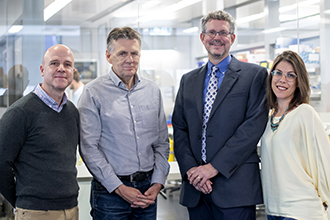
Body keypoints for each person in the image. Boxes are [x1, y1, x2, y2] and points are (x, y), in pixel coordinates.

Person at [172, 10, 268, 220]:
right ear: (202, 38)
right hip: (196, 188)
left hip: (235, 187)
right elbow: (180, 129)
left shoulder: (254, 75)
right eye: (211, 32)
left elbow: (252, 127)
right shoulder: (188, 80)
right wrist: (192, 171)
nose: (217, 38)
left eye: (223, 33)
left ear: (232, 38)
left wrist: (213, 168)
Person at [78, 26, 169, 220]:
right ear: (108, 56)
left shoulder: (152, 91)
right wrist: (119, 188)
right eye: (122, 53)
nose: (130, 59)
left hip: (148, 190)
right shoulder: (93, 93)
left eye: (134, 53)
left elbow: (161, 142)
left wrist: (157, 183)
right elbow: (89, 148)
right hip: (109, 193)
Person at [0, 44, 79, 220]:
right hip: (36, 212)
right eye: (54, 63)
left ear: (73, 71)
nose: (61, 68)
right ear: (42, 70)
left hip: (71, 208)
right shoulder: (20, 112)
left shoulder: (72, 112)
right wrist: (23, 202)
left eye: (67, 64)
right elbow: (1, 163)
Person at [261, 50, 330, 220]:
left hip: (302, 209)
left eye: (291, 75)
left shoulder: (305, 113)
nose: (282, 80)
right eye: (278, 73)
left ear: (299, 82)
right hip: (273, 210)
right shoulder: (268, 117)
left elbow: (324, 162)